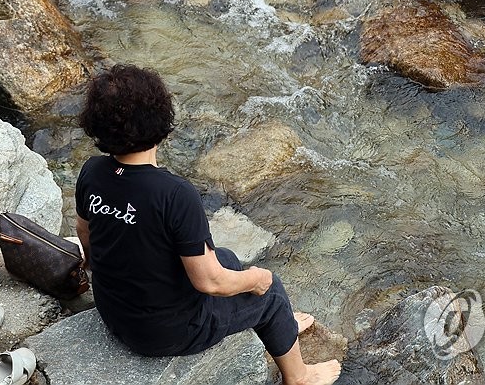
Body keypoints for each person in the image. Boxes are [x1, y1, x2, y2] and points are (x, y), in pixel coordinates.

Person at [74, 65, 341, 385]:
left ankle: (277, 325)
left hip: (112, 309)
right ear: (161, 121)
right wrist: (259, 279)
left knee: (225, 258)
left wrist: (95, 270)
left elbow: (85, 234)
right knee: (269, 290)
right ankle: (298, 375)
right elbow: (209, 284)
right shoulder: (175, 194)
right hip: (163, 333)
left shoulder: (92, 172)